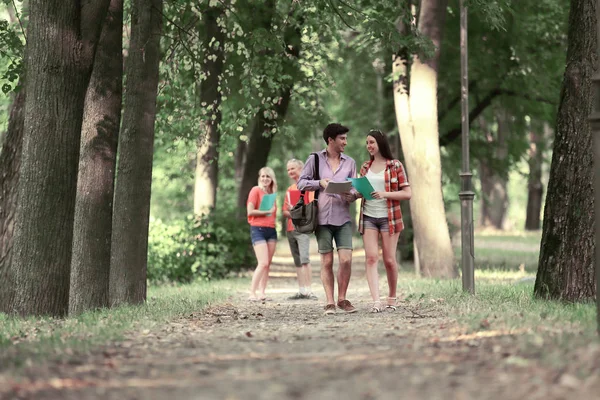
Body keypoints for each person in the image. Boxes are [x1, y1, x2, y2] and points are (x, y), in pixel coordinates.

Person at [297, 123, 359, 315]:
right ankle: (330, 302)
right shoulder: (314, 159)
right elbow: (301, 183)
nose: (345, 142)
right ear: (331, 140)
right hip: (322, 218)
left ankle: (342, 299)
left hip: (343, 216)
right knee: (326, 261)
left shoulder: (350, 162)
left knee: (346, 260)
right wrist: (320, 183)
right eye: (342, 139)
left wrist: (354, 195)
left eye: (346, 139)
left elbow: (356, 186)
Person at [358, 129, 411, 312]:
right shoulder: (365, 167)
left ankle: (392, 297)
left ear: (380, 143)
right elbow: (362, 191)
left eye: (372, 142)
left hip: (390, 217)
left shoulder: (395, 165)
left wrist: (384, 194)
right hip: (369, 217)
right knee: (371, 257)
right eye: (367, 143)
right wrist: (355, 193)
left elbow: (407, 193)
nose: (369, 146)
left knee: (389, 260)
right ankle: (376, 301)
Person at [282, 158, 317, 300]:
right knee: (297, 260)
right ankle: (302, 290)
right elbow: (284, 211)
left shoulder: (307, 187)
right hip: (290, 229)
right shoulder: (289, 190)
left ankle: (309, 290)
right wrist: (293, 212)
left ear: (301, 169)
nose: (290, 171)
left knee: (305, 259)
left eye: (293, 168)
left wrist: (296, 212)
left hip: (302, 228)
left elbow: (310, 208)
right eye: (288, 169)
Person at [247, 167, 278, 301]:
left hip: (271, 230)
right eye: (263, 176)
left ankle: (262, 292)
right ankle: (252, 292)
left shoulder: (272, 194)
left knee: (267, 264)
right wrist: (266, 212)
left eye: (268, 176)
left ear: (272, 179)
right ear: (259, 177)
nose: (265, 179)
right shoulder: (255, 190)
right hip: (257, 229)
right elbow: (250, 211)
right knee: (263, 262)